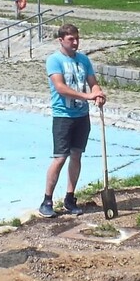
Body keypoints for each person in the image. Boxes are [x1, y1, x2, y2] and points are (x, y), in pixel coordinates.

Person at [37, 23, 106, 217]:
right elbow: (60, 87)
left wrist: (97, 93)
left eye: (77, 38)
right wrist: (87, 97)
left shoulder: (83, 59)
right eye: (71, 39)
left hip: (81, 116)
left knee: (76, 155)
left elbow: (93, 83)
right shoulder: (54, 60)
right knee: (60, 158)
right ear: (61, 40)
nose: (75, 42)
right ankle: (47, 200)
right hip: (63, 116)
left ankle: (70, 197)